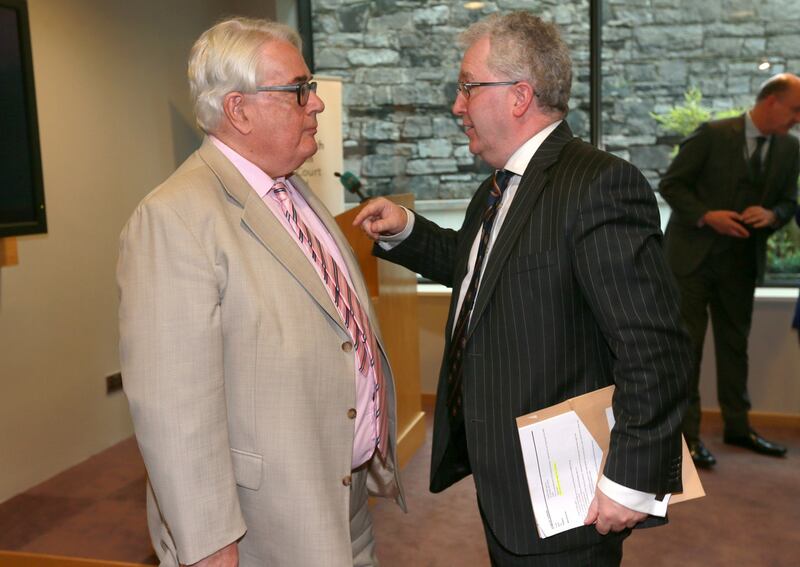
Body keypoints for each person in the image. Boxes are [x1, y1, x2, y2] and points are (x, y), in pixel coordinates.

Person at [353, 12, 690, 566]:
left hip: (570, 491)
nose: (457, 105)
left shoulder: (598, 184)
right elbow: (483, 272)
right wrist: (408, 231)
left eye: (467, 87)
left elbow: (654, 344)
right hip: (510, 480)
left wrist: (631, 479)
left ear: (519, 96)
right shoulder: (498, 186)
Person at [117, 17, 404, 567]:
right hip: (261, 526)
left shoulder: (291, 189)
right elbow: (173, 408)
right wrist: (209, 544)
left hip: (340, 498)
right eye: (299, 91)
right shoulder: (174, 218)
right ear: (238, 111)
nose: (315, 104)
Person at [659, 73, 800, 468]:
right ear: (771, 101)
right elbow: (671, 185)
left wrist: (773, 214)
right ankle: (686, 439)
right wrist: (707, 216)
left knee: (735, 348)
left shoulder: (791, 150)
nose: (798, 119)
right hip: (691, 263)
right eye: (795, 109)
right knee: (686, 350)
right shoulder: (712, 134)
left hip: (741, 266)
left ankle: (738, 427)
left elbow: (790, 202)